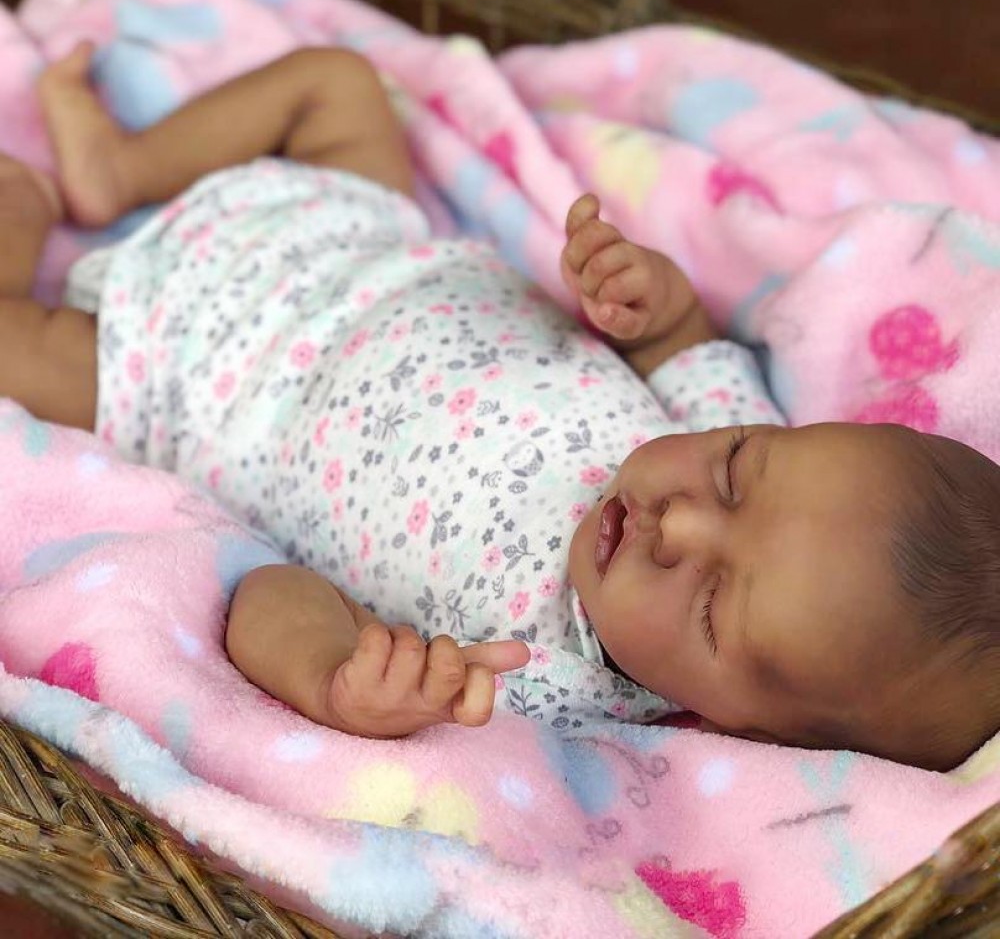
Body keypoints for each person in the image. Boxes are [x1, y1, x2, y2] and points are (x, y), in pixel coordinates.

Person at [1, 42, 996, 771]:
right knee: (336, 84)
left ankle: (21, 224)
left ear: (744, 726)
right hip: (365, 247)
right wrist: (641, 298)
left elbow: (264, 593)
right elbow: (677, 334)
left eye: (709, 602)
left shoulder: (533, 687)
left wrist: (339, 677)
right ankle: (118, 168)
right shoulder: (735, 417)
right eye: (734, 471)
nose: (679, 520)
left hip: (197, 383)